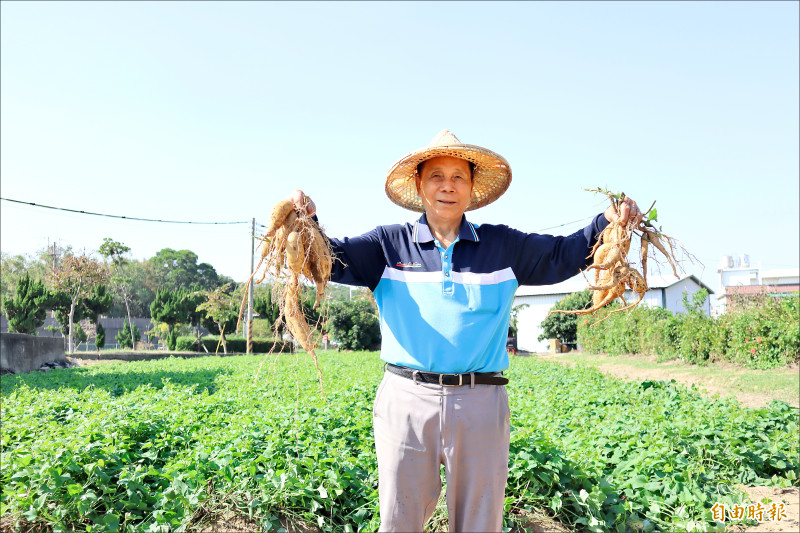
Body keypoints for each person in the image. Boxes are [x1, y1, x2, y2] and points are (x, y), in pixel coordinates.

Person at [288, 130, 641, 532]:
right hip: (407, 398)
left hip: (481, 401)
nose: (447, 186)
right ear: (420, 185)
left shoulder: (504, 246)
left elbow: (562, 254)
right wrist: (306, 221)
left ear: (472, 189)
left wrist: (605, 223)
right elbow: (328, 259)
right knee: (399, 520)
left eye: (458, 177)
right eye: (437, 176)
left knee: (479, 522)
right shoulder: (389, 244)